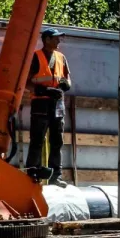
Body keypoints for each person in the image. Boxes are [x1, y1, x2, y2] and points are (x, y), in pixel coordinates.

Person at [25, 27, 71, 184]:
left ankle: (55, 176)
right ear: (46, 40)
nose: (59, 41)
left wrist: (65, 85)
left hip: (57, 104)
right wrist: (43, 90)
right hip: (40, 103)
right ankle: (32, 174)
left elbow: (67, 78)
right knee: (37, 139)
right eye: (56, 38)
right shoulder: (36, 57)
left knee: (57, 141)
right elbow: (27, 82)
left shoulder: (61, 57)